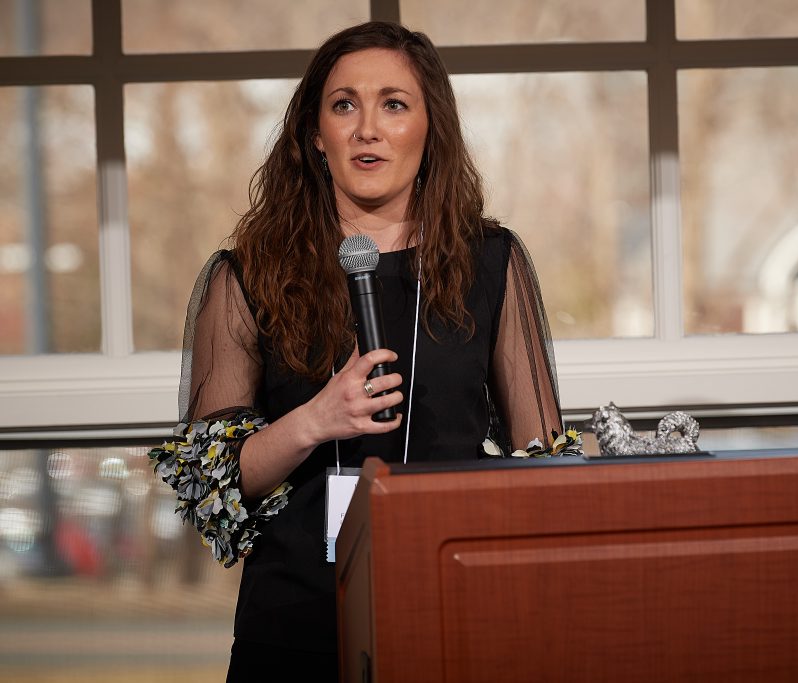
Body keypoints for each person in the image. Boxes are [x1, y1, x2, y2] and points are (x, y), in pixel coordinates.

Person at [149, 20, 563, 681]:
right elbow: (209, 482)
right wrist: (315, 419)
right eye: (345, 104)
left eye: (393, 104)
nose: (367, 127)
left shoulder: (492, 264)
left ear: (431, 132)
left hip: (448, 614)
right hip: (295, 625)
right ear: (316, 135)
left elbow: (544, 469)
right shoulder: (249, 275)